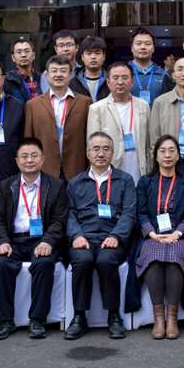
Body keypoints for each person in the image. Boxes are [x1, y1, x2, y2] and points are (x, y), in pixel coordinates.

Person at [0, 138, 68, 340]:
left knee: (44, 263)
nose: (29, 160)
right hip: (14, 241)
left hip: (41, 240)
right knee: (1, 264)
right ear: (17, 161)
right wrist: (3, 242)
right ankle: (5, 320)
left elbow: (59, 221)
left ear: (43, 159)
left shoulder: (56, 185)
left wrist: (48, 242)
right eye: (24, 156)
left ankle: (37, 319)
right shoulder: (6, 186)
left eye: (34, 155)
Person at [64, 133, 138, 340]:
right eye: (96, 149)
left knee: (106, 261)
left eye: (106, 149)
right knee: (82, 261)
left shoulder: (125, 180)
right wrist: (76, 235)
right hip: (84, 238)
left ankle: (114, 316)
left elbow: (129, 213)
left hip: (113, 237)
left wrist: (116, 235)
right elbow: (69, 213)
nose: (101, 153)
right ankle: (79, 317)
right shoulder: (75, 183)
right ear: (88, 153)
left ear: (112, 153)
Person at [134, 135, 184, 340]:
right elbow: (141, 212)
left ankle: (172, 318)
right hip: (152, 235)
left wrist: (178, 233)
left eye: (172, 150)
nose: (167, 155)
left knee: (175, 256)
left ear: (178, 156)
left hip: (179, 235)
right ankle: (159, 318)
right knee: (153, 257)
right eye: (162, 151)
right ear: (156, 156)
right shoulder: (145, 182)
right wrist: (152, 234)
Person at [24, 55, 92, 181]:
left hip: (77, 170)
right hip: (45, 170)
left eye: (63, 71)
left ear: (70, 75)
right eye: (54, 71)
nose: (58, 74)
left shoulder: (85, 102)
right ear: (47, 75)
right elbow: (28, 141)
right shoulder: (33, 105)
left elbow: (90, 139)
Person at [86, 62, 151, 183]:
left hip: (140, 174)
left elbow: (149, 143)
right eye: (115, 78)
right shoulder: (97, 109)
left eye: (125, 78)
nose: (120, 82)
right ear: (108, 82)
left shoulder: (143, 106)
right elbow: (93, 148)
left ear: (132, 81)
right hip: (110, 176)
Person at [128, 27, 168, 106]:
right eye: (138, 43)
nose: (143, 47)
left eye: (147, 44)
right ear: (132, 48)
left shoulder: (163, 75)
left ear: (153, 48)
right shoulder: (123, 74)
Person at [39, 30, 80, 94]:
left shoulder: (84, 72)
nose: (65, 49)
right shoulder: (47, 74)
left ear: (77, 47)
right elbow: (49, 97)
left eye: (69, 45)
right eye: (61, 45)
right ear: (56, 49)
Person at [71, 36, 110, 103]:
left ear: (103, 56)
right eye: (89, 53)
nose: (93, 57)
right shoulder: (72, 83)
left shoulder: (111, 81)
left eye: (97, 53)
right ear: (82, 57)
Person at [6, 37, 40, 104]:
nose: (23, 55)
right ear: (13, 57)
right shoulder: (7, 80)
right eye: (19, 52)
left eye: (27, 51)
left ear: (33, 55)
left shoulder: (43, 78)